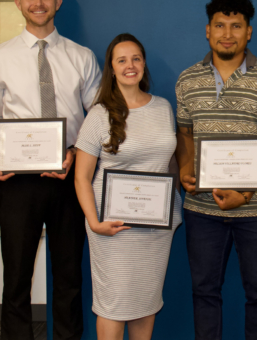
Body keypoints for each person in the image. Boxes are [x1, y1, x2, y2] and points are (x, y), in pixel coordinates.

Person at [0, 0, 102, 340]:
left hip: (69, 179)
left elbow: (98, 116)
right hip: (17, 182)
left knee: (68, 274)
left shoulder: (82, 57)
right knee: (15, 275)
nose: (38, 3)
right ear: (19, 3)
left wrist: (74, 155)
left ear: (57, 4)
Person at [175, 0, 257, 340]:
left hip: (256, 211)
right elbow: (185, 136)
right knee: (204, 292)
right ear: (207, 31)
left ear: (248, 32)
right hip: (201, 209)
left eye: (236, 26)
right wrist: (183, 169)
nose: (228, 34)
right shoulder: (187, 80)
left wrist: (244, 193)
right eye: (220, 25)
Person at [74, 33, 182, 340]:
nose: (130, 65)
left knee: (146, 302)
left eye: (135, 58)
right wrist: (95, 223)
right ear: (112, 68)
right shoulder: (99, 114)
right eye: (121, 60)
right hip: (114, 228)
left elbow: (169, 162)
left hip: (155, 227)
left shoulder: (162, 107)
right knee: (113, 306)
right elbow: (81, 176)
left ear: (144, 63)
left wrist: (174, 201)